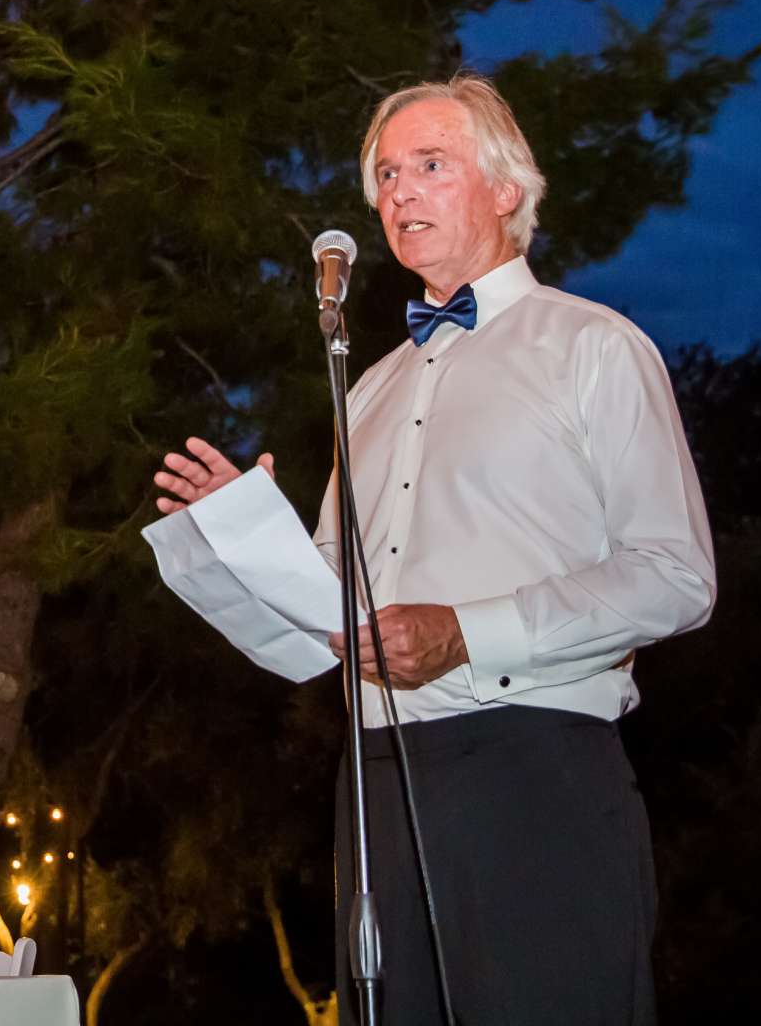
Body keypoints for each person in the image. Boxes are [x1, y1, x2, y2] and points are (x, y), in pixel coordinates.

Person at [152, 71, 716, 1026]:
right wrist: (244, 533)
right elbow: (334, 595)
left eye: (429, 165)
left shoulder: (593, 348)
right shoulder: (365, 391)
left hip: (535, 763)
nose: (397, 191)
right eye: (384, 174)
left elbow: (676, 577)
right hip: (374, 781)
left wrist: (468, 633)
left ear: (506, 190)